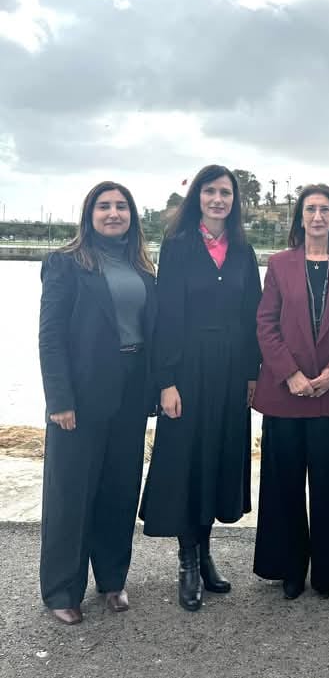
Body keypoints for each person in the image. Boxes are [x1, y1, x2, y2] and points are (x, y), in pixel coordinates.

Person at [139, 164, 262, 612]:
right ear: (198, 197)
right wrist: (166, 381)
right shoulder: (177, 246)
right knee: (187, 461)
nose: (218, 199)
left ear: (234, 200)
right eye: (210, 191)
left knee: (218, 458)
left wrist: (252, 373)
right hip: (187, 368)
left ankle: (206, 553)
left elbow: (253, 314)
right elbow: (166, 317)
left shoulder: (243, 250)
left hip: (231, 370)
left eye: (225, 192)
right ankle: (187, 559)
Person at [38, 181, 157, 625]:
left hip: (130, 392)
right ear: (89, 215)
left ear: (131, 216)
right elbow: (50, 336)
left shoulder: (142, 268)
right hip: (81, 395)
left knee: (119, 490)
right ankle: (61, 589)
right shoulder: (65, 263)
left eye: (121, 206)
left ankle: (112, 580)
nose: (113, 213)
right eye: (104, 206)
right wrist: (59, 400)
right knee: (70, 494)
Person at [252, 183, 329, 600]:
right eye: (310, 209)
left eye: (325, 210)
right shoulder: (279, 264)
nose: (317, 217)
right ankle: (288, 567)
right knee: (283, 485)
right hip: (286, 394)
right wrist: (290, 374)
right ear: (300, 218)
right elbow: (266, 323)